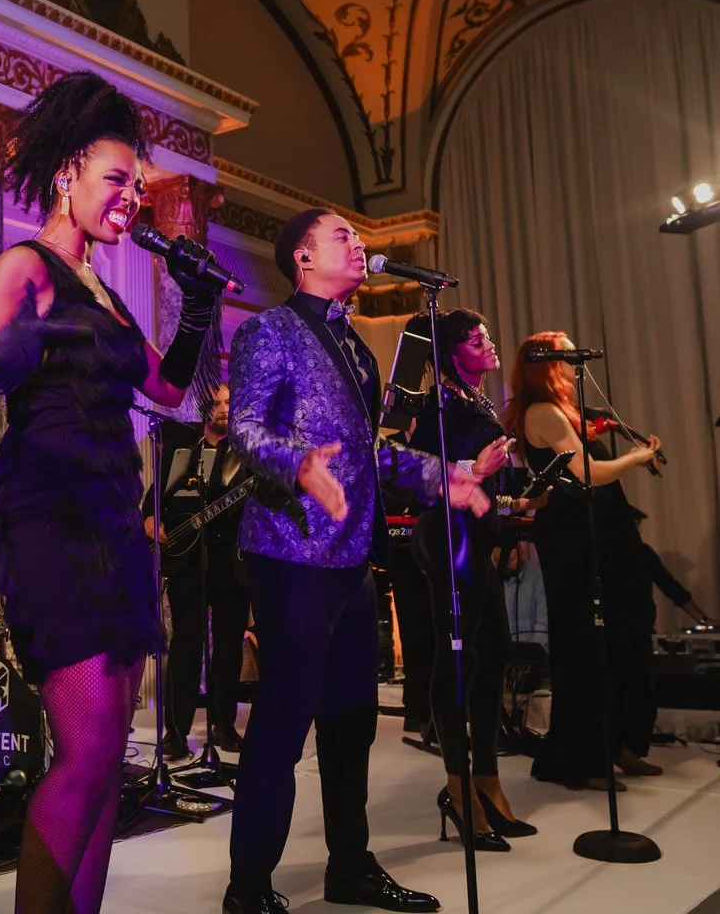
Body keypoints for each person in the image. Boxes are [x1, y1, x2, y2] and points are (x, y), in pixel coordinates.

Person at [0, 71, 218, 913]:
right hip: (47, 513)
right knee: (84, 753)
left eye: (136, 184)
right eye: (115, 180)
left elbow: (166, 392)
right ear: (68, 174)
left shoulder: (107, 293)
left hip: (113, 515)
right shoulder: (26, 265)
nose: (130, 198)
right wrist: (15, 348)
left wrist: (195, 313)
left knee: (110, 758)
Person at [224, 208, 496, 914]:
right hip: (290, 553)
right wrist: (298, 463)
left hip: (350, 557)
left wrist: (448, 476)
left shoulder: (355, 347)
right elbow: (245, 430)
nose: (361, 243)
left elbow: (371, 452)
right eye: (344, 234)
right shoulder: (267, 330)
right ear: (303, 257)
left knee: (352, 722)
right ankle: (248, 888)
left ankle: (350, 866)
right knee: (284, 725)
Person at [402, 309, 537, 850]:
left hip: (478, 534)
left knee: (494, 653)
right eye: (477, 338)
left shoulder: (479, 400)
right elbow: (418, 470)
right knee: (457, 659)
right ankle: (458, 791)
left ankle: (488, 781)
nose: (490, 342)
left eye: (487, 333)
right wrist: (472, 470)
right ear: (451, 352)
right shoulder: (438, 403)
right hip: (447, 535)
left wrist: (506, 499)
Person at [504, 331, 662, 791]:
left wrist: (606, 431)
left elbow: (584, 442)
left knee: (628, 634)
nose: (575, 361)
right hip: (575, 540)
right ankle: (585, 758)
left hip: (604, 534)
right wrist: (637, 457)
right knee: (586, 644)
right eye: (566, 353)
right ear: (547, 364)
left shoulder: (565, 413)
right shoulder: (544, 413)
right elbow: (587, 475)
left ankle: (623, 742)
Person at [140, 381, 252, 759]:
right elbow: (152, 500)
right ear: (205, 409)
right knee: (186, 643)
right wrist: (152, 521)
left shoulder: (245, 453)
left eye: (229, 401)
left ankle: (224, 726)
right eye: (217, 402)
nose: (223, 408)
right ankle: (176, 731)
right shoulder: (182, 450)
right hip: (187, 560)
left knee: (228, 647)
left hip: (231, 563)